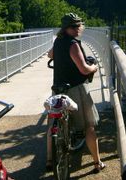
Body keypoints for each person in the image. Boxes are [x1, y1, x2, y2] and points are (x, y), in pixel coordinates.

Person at [46, 13, 106, 173]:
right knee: (89, 126)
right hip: (76, 89)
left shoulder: (58, 41)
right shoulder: (73, 44)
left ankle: (50, 160)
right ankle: (97, 162)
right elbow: (84, 69)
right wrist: (94, 67)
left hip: (58, 89)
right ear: (72, 28)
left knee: (53, 125)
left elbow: (49, 55)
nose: (80, 28)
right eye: (78, 26)